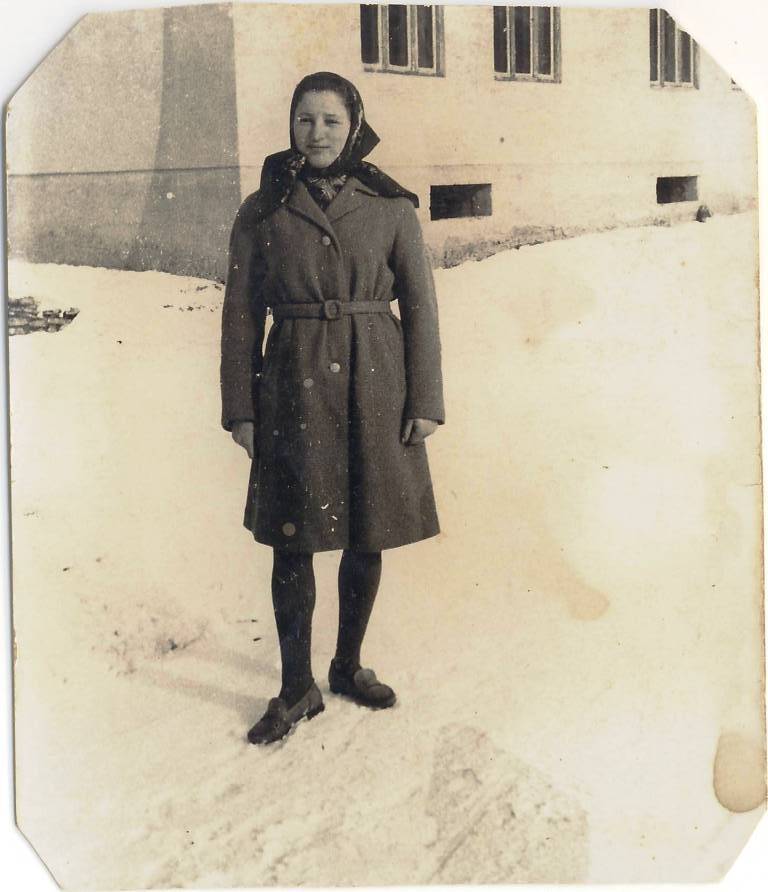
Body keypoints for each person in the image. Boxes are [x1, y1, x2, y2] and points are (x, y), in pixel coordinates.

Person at [220, 71, 444, 745]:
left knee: (366, 531)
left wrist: (426, 400)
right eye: (304, 120)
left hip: (377, 384)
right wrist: (241, 408)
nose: (316, 133)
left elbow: (422, 308)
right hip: (291, 389)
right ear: (290, 126)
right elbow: (239, 316)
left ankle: (347, 665)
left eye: (330, 121)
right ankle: (297, 687)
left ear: (355, 127)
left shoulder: (391, 206)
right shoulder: (263, 209)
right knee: (292, 541)